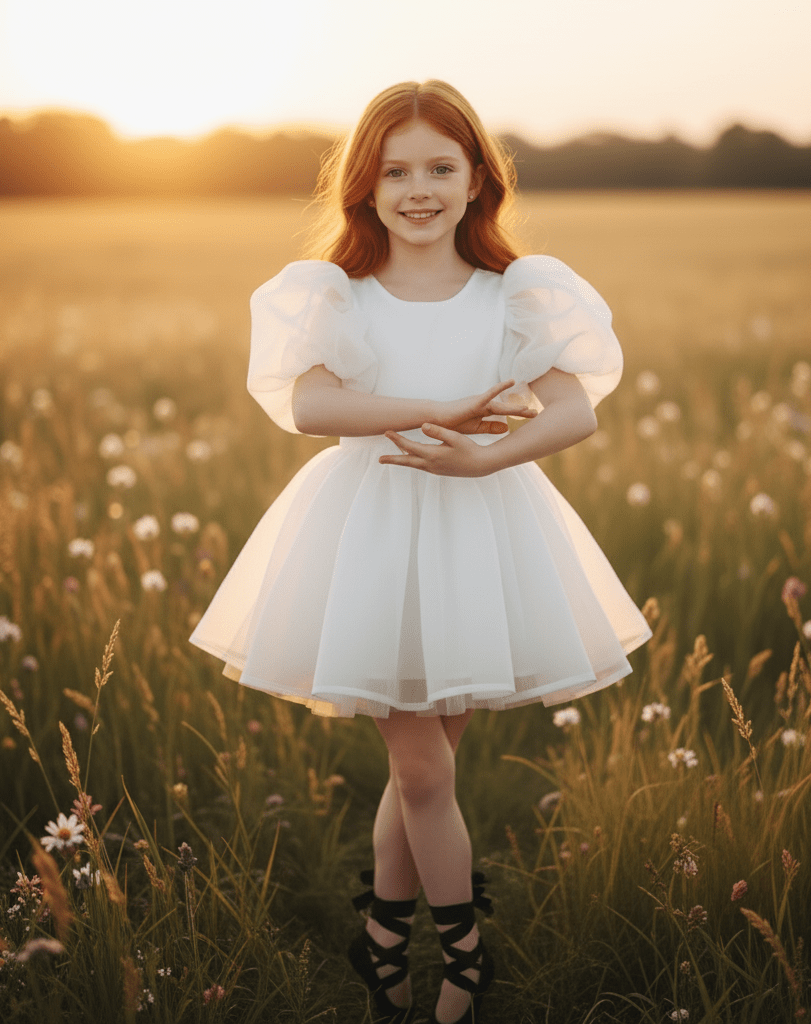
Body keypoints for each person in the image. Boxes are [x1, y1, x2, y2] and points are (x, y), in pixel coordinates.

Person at [189, 80, 652, 1024]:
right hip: (369, 534)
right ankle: (468, 962)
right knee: (427, 773)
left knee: (423, 768)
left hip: (480, 533)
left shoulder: (515, 293)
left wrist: (486, 459)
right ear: (364, 186)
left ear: (480, 178)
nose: (419, 189)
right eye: (395, 171)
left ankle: (383, 944)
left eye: (441, 167)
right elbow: (312, 406)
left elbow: (573, 409)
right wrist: (436, 411)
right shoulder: (336, 294)